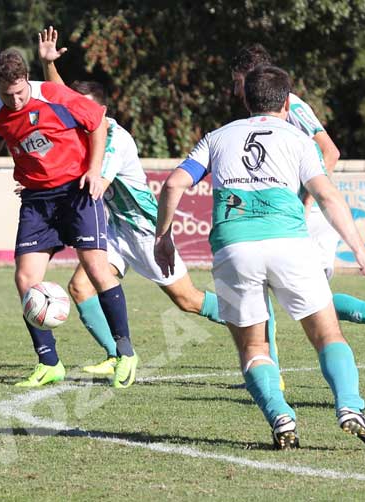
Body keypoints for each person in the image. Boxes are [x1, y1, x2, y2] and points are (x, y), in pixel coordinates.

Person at [154, 65, 365, 450]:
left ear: (247, 100)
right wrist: (360, 249)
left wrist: (163, 237)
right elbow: (327, 195)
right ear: (286, 103)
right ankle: (349, 406)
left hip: (234, 248)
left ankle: (281, 415)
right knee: (327, 334)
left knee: (254, 348)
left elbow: (173, 184)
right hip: (289, 245)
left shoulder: (217, 137)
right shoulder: (299, 139)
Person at [35, 26, 280, 382]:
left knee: (187, 299)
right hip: (117, 228)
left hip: (144, 230)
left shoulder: (115, 139)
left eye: (83, 108)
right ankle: (118, 355)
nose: (76, 112)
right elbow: (61, 98)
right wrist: (48, 65)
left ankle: (250, 314)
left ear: (100, 110)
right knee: (80, 287)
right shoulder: (81, 133)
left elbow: (96, 185)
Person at [0, 48, 138, 388]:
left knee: (96, 269)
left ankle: (125, 352)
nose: (14, 101)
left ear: (27, 79)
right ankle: (49, 363)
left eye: (19, 92)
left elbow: (97, 123)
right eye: (6, 95)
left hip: (77, 191)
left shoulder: (53, 95)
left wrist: (94, 170)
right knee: (25, 279)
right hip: (36, 200)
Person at [231, 44, 365, 361]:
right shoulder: (261, 115)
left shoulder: (291, 105)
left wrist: (305, 203)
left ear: (253, 75)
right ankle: (267, 368)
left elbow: (329, 151)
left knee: (313, 301)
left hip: (309, 214)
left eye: (237, 81)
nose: (236, 90)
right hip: (287, 214)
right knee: (274, 290)